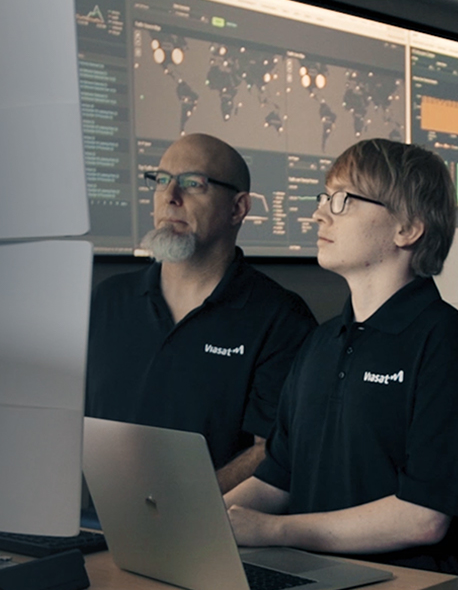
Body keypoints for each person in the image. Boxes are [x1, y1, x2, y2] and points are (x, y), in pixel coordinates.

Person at [224, 138, 458, 590]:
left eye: (344, 200)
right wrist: (204, 521)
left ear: (408, 228)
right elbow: (278, 478)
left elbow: (422, 517)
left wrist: (274, 532)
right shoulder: (321, 342)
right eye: (324, 197)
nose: (319, 214)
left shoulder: (447, 344)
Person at [85, 133, 316, 494]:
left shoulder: (280, 319)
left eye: (193, 184)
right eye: (161, 181)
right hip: (91, 529)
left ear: (238, 208)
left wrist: (175, 507)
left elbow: (273, 451)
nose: (170, 197)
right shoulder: (108, 300)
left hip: (209, 535)